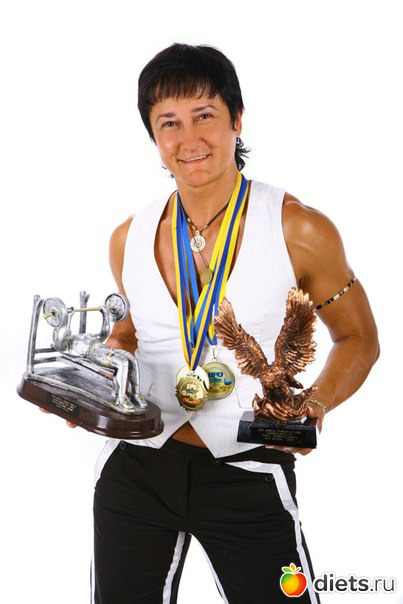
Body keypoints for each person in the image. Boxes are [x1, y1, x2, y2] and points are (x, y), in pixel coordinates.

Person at [43, 43, 380, 603]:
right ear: (154, 137)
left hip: (249, 467)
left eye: (204, 115)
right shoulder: (128, 237)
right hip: (138, 468)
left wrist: (312, 406)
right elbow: (130, 333)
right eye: (169, 123)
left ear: (236, 120)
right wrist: (95, 385)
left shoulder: (299, 229)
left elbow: (358, 338)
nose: (189, 139)